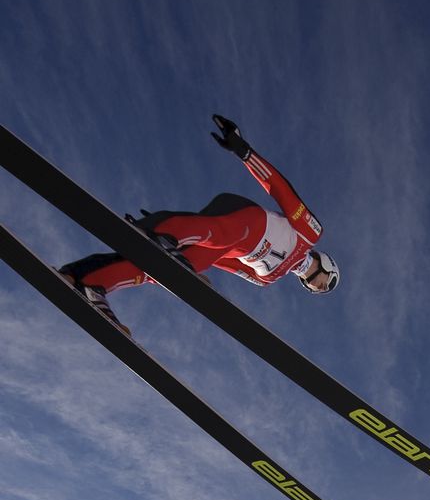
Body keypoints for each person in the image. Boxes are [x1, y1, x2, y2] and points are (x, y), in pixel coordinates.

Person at [60, 115, 340, 336]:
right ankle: (163, 231)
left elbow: (224, 261)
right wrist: (244, 153)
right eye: (326, 282)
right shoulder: (311, 233)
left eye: (318, 290)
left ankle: (90, 283)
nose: (318, 287)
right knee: (225, 235)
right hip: (242, 218)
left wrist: (182, 255)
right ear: (328, 264)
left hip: (220, 243)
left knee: (167, 269)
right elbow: (281, 191)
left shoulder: (267, 278)